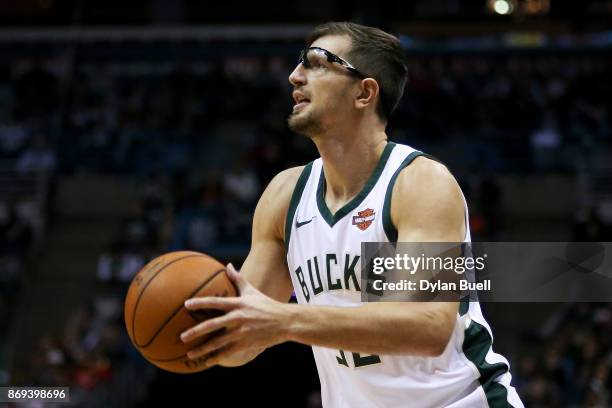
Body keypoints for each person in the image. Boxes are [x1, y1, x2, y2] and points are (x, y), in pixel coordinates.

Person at [180, 22, 524, 407]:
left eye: (317, 64)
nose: (295, 76)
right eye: (299, 64)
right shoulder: (285, 196)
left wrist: (283, 321)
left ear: (365, 92)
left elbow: (426, 329)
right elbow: (242, 342)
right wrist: (197, 331)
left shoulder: (420, 184)